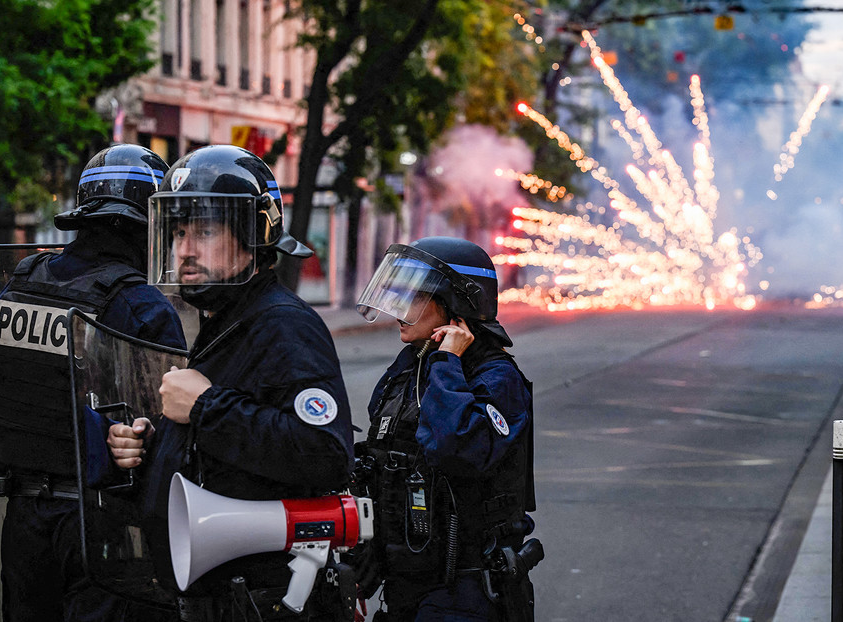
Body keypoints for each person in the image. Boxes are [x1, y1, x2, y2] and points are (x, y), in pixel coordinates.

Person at [106, 144, 355, 621]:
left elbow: (325, 453)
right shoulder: (226, 320)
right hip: (219, 595)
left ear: (253, 235)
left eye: (204, 230)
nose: (184, 250)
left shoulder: (284, 325)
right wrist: (153, 446)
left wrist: (204, 408)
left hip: (263, 600)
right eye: (178, 232)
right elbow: (230, 451)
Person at [0, 143, 187, 621]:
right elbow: (169, 432)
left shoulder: (21, 284)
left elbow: (0, 380)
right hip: (100, 525)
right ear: (147, 223)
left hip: (24, 521)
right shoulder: (142, 306)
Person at [352, 237, 540, 621]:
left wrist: (448, 363)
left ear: (457, 304)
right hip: (405, 579)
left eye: (415, 297)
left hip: (463, 589)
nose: (401, 310)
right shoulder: (409, 367)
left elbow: (457, 448)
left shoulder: (496, 377)